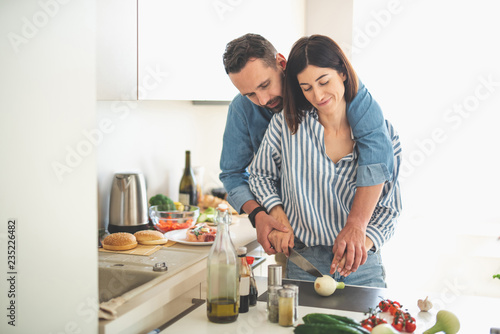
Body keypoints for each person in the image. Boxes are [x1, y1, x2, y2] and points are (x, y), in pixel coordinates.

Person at [220, 33, 394, 276]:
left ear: (282, 64)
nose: (262, 100)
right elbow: (236, 174)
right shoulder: (248, 112)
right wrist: (260, 213)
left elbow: (378, 158)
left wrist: (357, 229)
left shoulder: (338, 94)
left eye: (264, 85)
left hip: (357, 250)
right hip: (290, 239)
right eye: (249, 94)